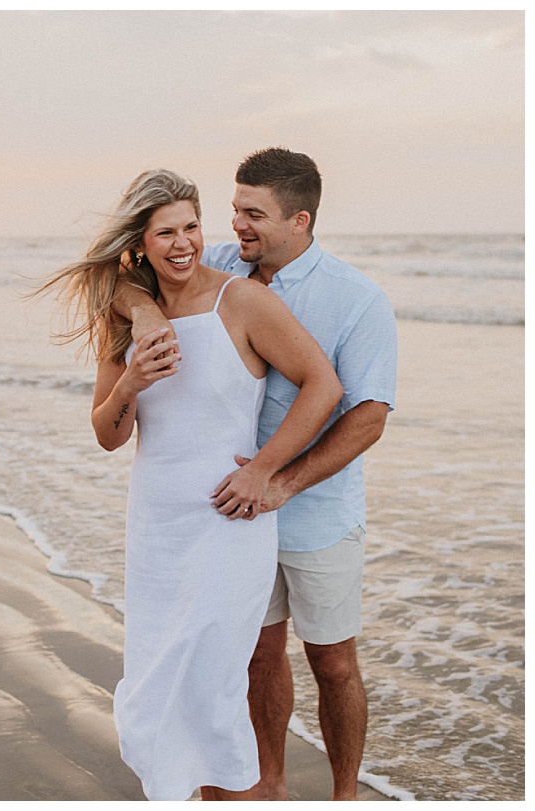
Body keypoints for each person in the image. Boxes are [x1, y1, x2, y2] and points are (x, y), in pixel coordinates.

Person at [38, 168, 342, 801]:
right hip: (157, 531)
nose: (183, 244)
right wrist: (132, 381)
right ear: (139, 242)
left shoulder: (244, 301)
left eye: (192, 227)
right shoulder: (124, 318)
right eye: (165, 232)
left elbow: (325, 386)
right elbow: (108, 434)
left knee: (213, 691)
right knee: (160, 686)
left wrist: (264, 471)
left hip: (230, 526)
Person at [113, 148, 398, 800]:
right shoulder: (220, 262)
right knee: (255, 656)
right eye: (235, 208)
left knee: (331, 661)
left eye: (252, 214)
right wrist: (145, 310)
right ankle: (264, 783)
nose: (233, 225)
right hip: (229, 518)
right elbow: (128, 269)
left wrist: (279, 479)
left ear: (299, 220)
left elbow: (368, 417)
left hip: (312, 507)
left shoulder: (358, 300)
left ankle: (344, 792)